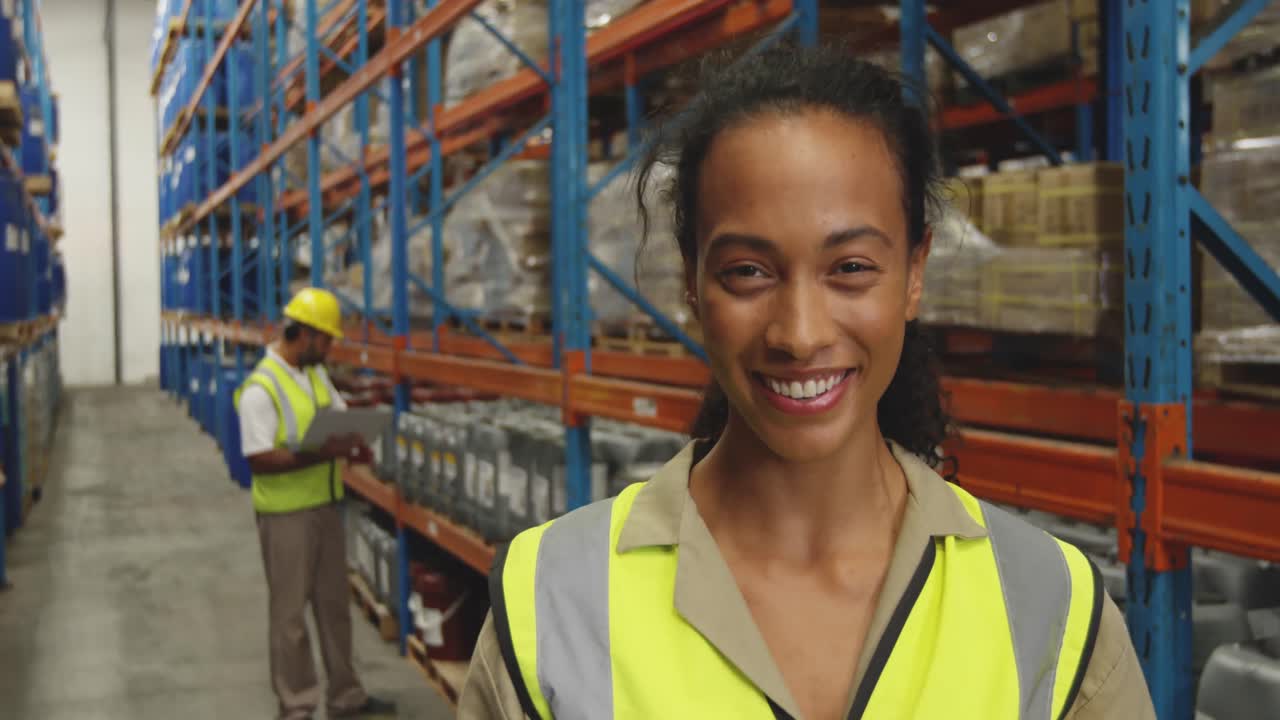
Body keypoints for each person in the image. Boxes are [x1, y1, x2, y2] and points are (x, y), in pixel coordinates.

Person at [458, 43, 1155, 720]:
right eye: (748, 272)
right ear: (692, 282)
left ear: (915, 273)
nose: (800, 333)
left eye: (850, 268)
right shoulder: (549, 602)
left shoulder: (1055, 614)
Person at [235, 287, 396, 720]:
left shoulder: (315, 374)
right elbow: (258, 459)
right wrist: (320, 453)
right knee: (289, 618)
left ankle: (346, 697)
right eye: (325, 340)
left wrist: (355, 435)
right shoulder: (260, 389)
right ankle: (297, 705)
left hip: (326, 506)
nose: (329, 349)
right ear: (302, 334)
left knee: (334, 608)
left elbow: (337, 414)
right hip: (285, 515)